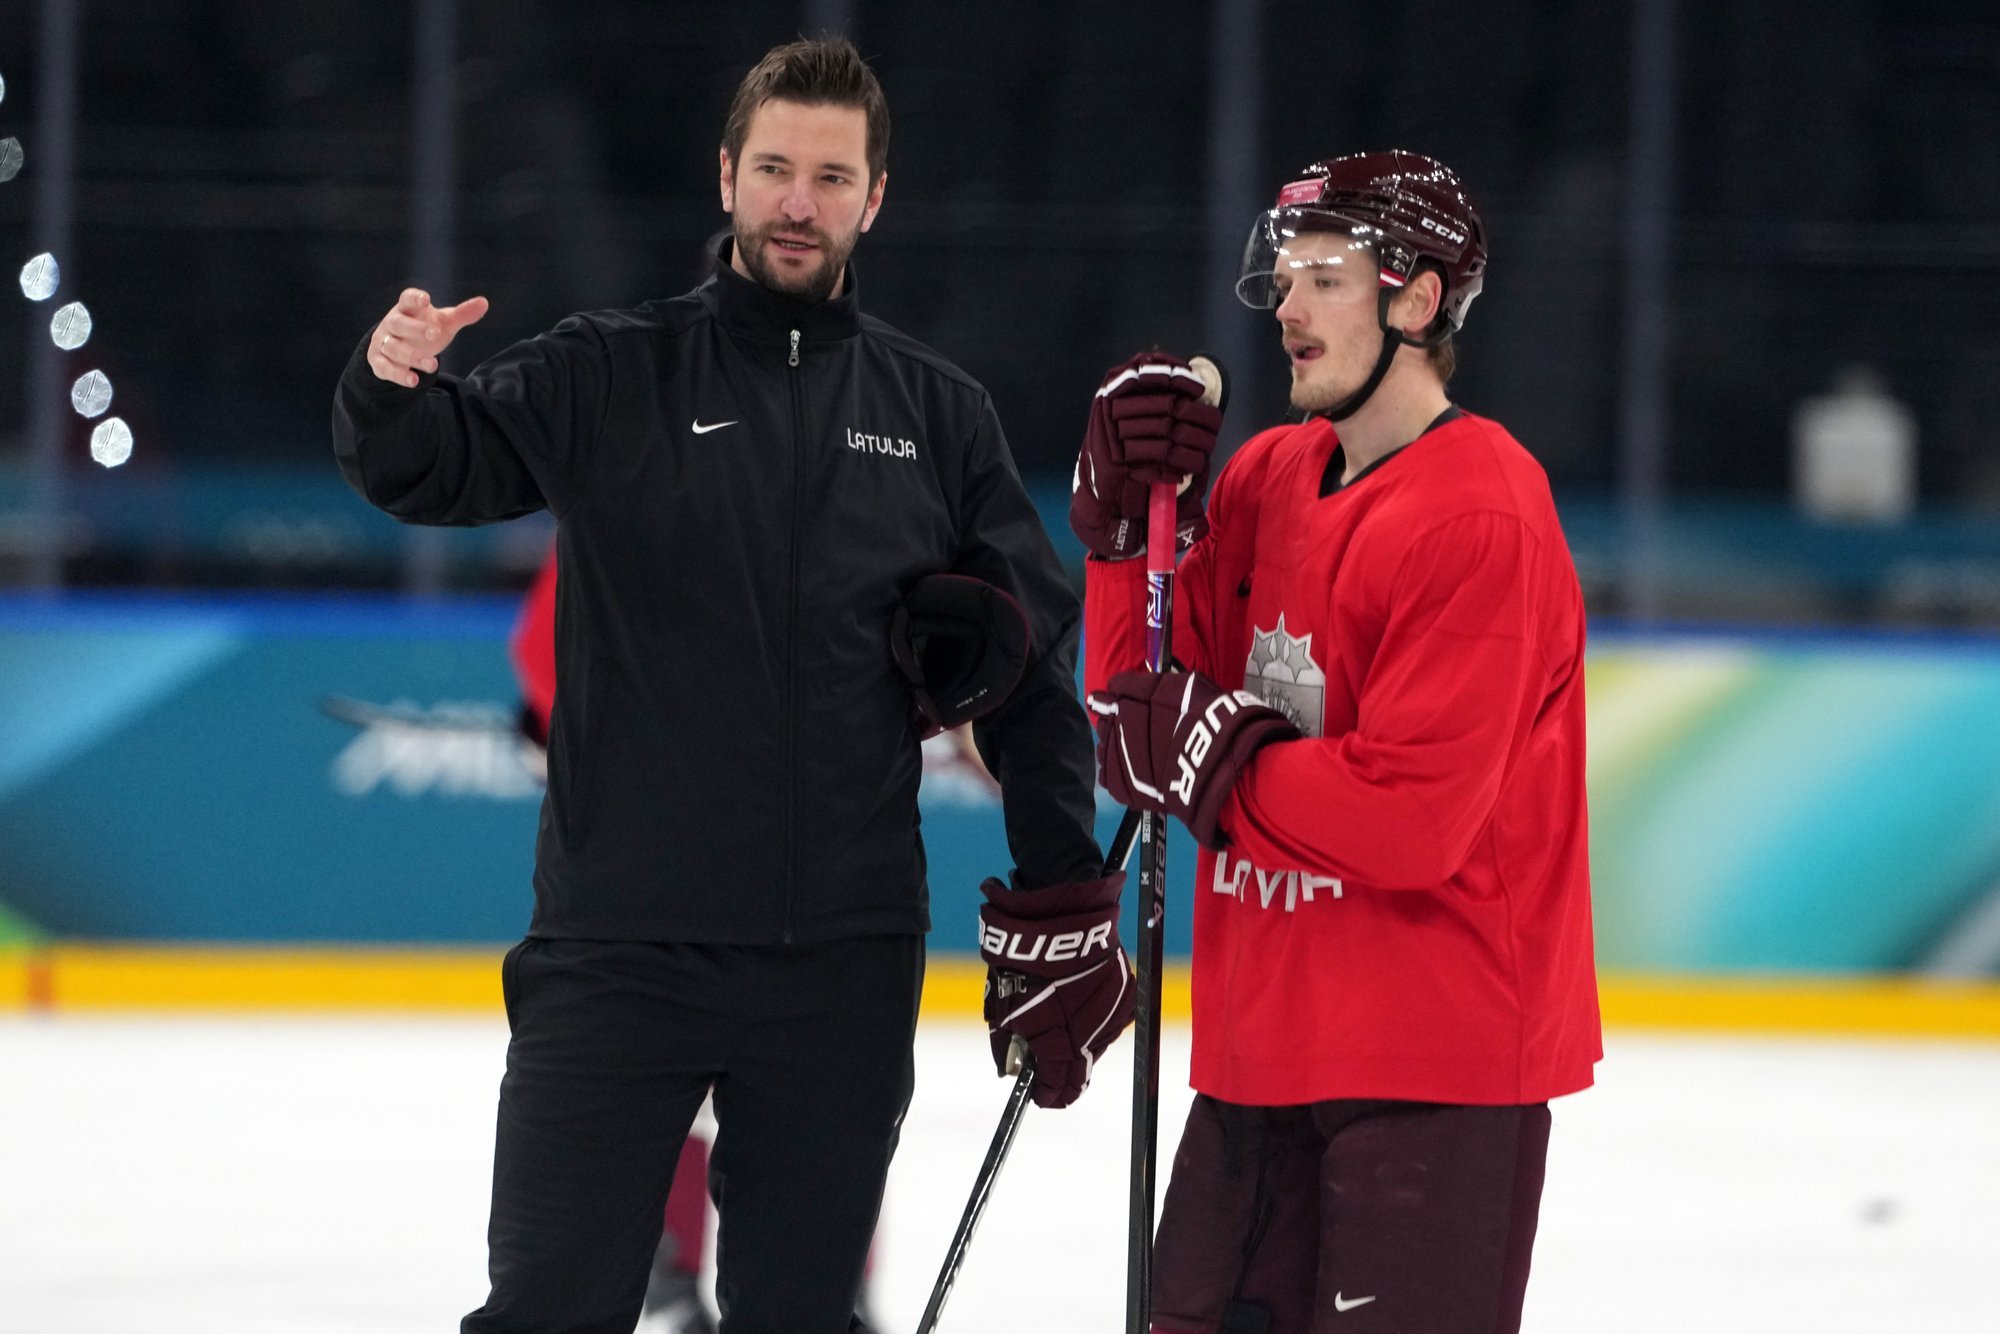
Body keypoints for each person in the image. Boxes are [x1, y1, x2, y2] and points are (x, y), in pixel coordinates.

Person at [333, 38, 1131, 1334]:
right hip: (616, 950)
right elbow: (433, 465)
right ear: (725, 177)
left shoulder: (937, 414)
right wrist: (390, 386)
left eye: (830, 176)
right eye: (772, 169)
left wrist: (1061, 897)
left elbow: (1032, 664)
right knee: (545, 1307)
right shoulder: (612, 370)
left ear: (875, 197)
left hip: (841, 966)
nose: (796, 202)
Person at [1074, 151, 1600, 1333]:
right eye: (1284, 279)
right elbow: (1138, 720)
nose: (1287, 309)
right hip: (1257, 1054)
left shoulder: (1482, 510)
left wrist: (1219, 759)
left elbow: (1410, 818)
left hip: (1433, 1067)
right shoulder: (1265, 476)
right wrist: (1119, 536)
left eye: (1325, 278)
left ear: (1418, 300)